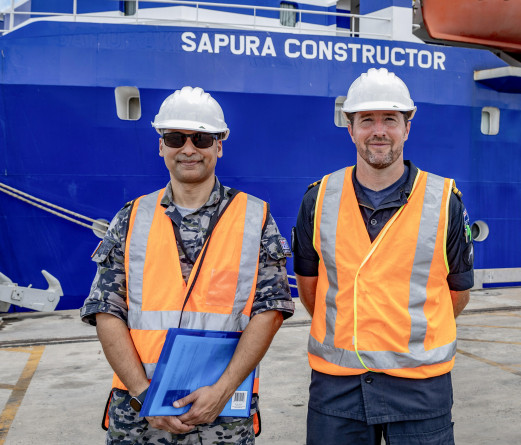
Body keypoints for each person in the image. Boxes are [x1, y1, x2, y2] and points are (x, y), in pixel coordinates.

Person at [81, 86, 294, 445]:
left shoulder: (254, 217)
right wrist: (142, 394)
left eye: (202, 138)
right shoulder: (130, 218)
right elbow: (106, 311)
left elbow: (269, 310)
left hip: (221, 418)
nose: (189, 149)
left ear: (220, 145)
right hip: (139, 416)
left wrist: (223, 391)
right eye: (176, 138)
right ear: (161, 145)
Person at [292, 68, 474, 445]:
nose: (378, 131)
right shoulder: (318, 199)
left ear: (407, 127)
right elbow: (311, 291)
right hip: (336, 390)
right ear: (351, 129)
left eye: (390, 119)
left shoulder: (445, 203)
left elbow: (456, 294)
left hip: (420, 392)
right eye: (367, 120)